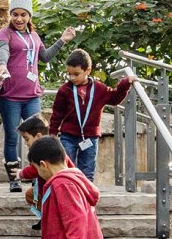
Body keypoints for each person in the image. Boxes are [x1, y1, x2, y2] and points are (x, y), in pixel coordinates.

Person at [0, 0, 76, 193]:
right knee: (11, 136)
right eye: (15, 14)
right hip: (10, 95)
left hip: (31, 95)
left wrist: (62, 41)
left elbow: (44, 57)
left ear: (29, 16)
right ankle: (14, 178)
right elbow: (3, 52)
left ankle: (39, 177)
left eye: (23, 15)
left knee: (40, 137)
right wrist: (2, 64)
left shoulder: (34, 37)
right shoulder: (5, 33)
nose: (19, 19)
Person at [48, 49, 133, 182]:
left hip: (90, 137)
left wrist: (124, 84)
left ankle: (86, 201)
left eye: (76, 74)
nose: (72, 78)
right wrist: (52, 134)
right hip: (68, 136)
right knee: (65, 169)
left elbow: (115, 98)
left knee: (87, 171)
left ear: (87, 70)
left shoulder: (99, 88)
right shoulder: (65, 90)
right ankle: (68, 197)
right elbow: (57, 113)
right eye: (69, 74)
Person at [16, 113, 54, 231]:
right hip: (45, 189)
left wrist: (21, 173)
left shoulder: (47, 149)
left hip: (55, 189)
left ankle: (51, 220)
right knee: (30, 195)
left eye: (27, 139)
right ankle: (45, 218)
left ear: (38, 136)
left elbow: (36, 169)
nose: (26, 143)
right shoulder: (39, 149)